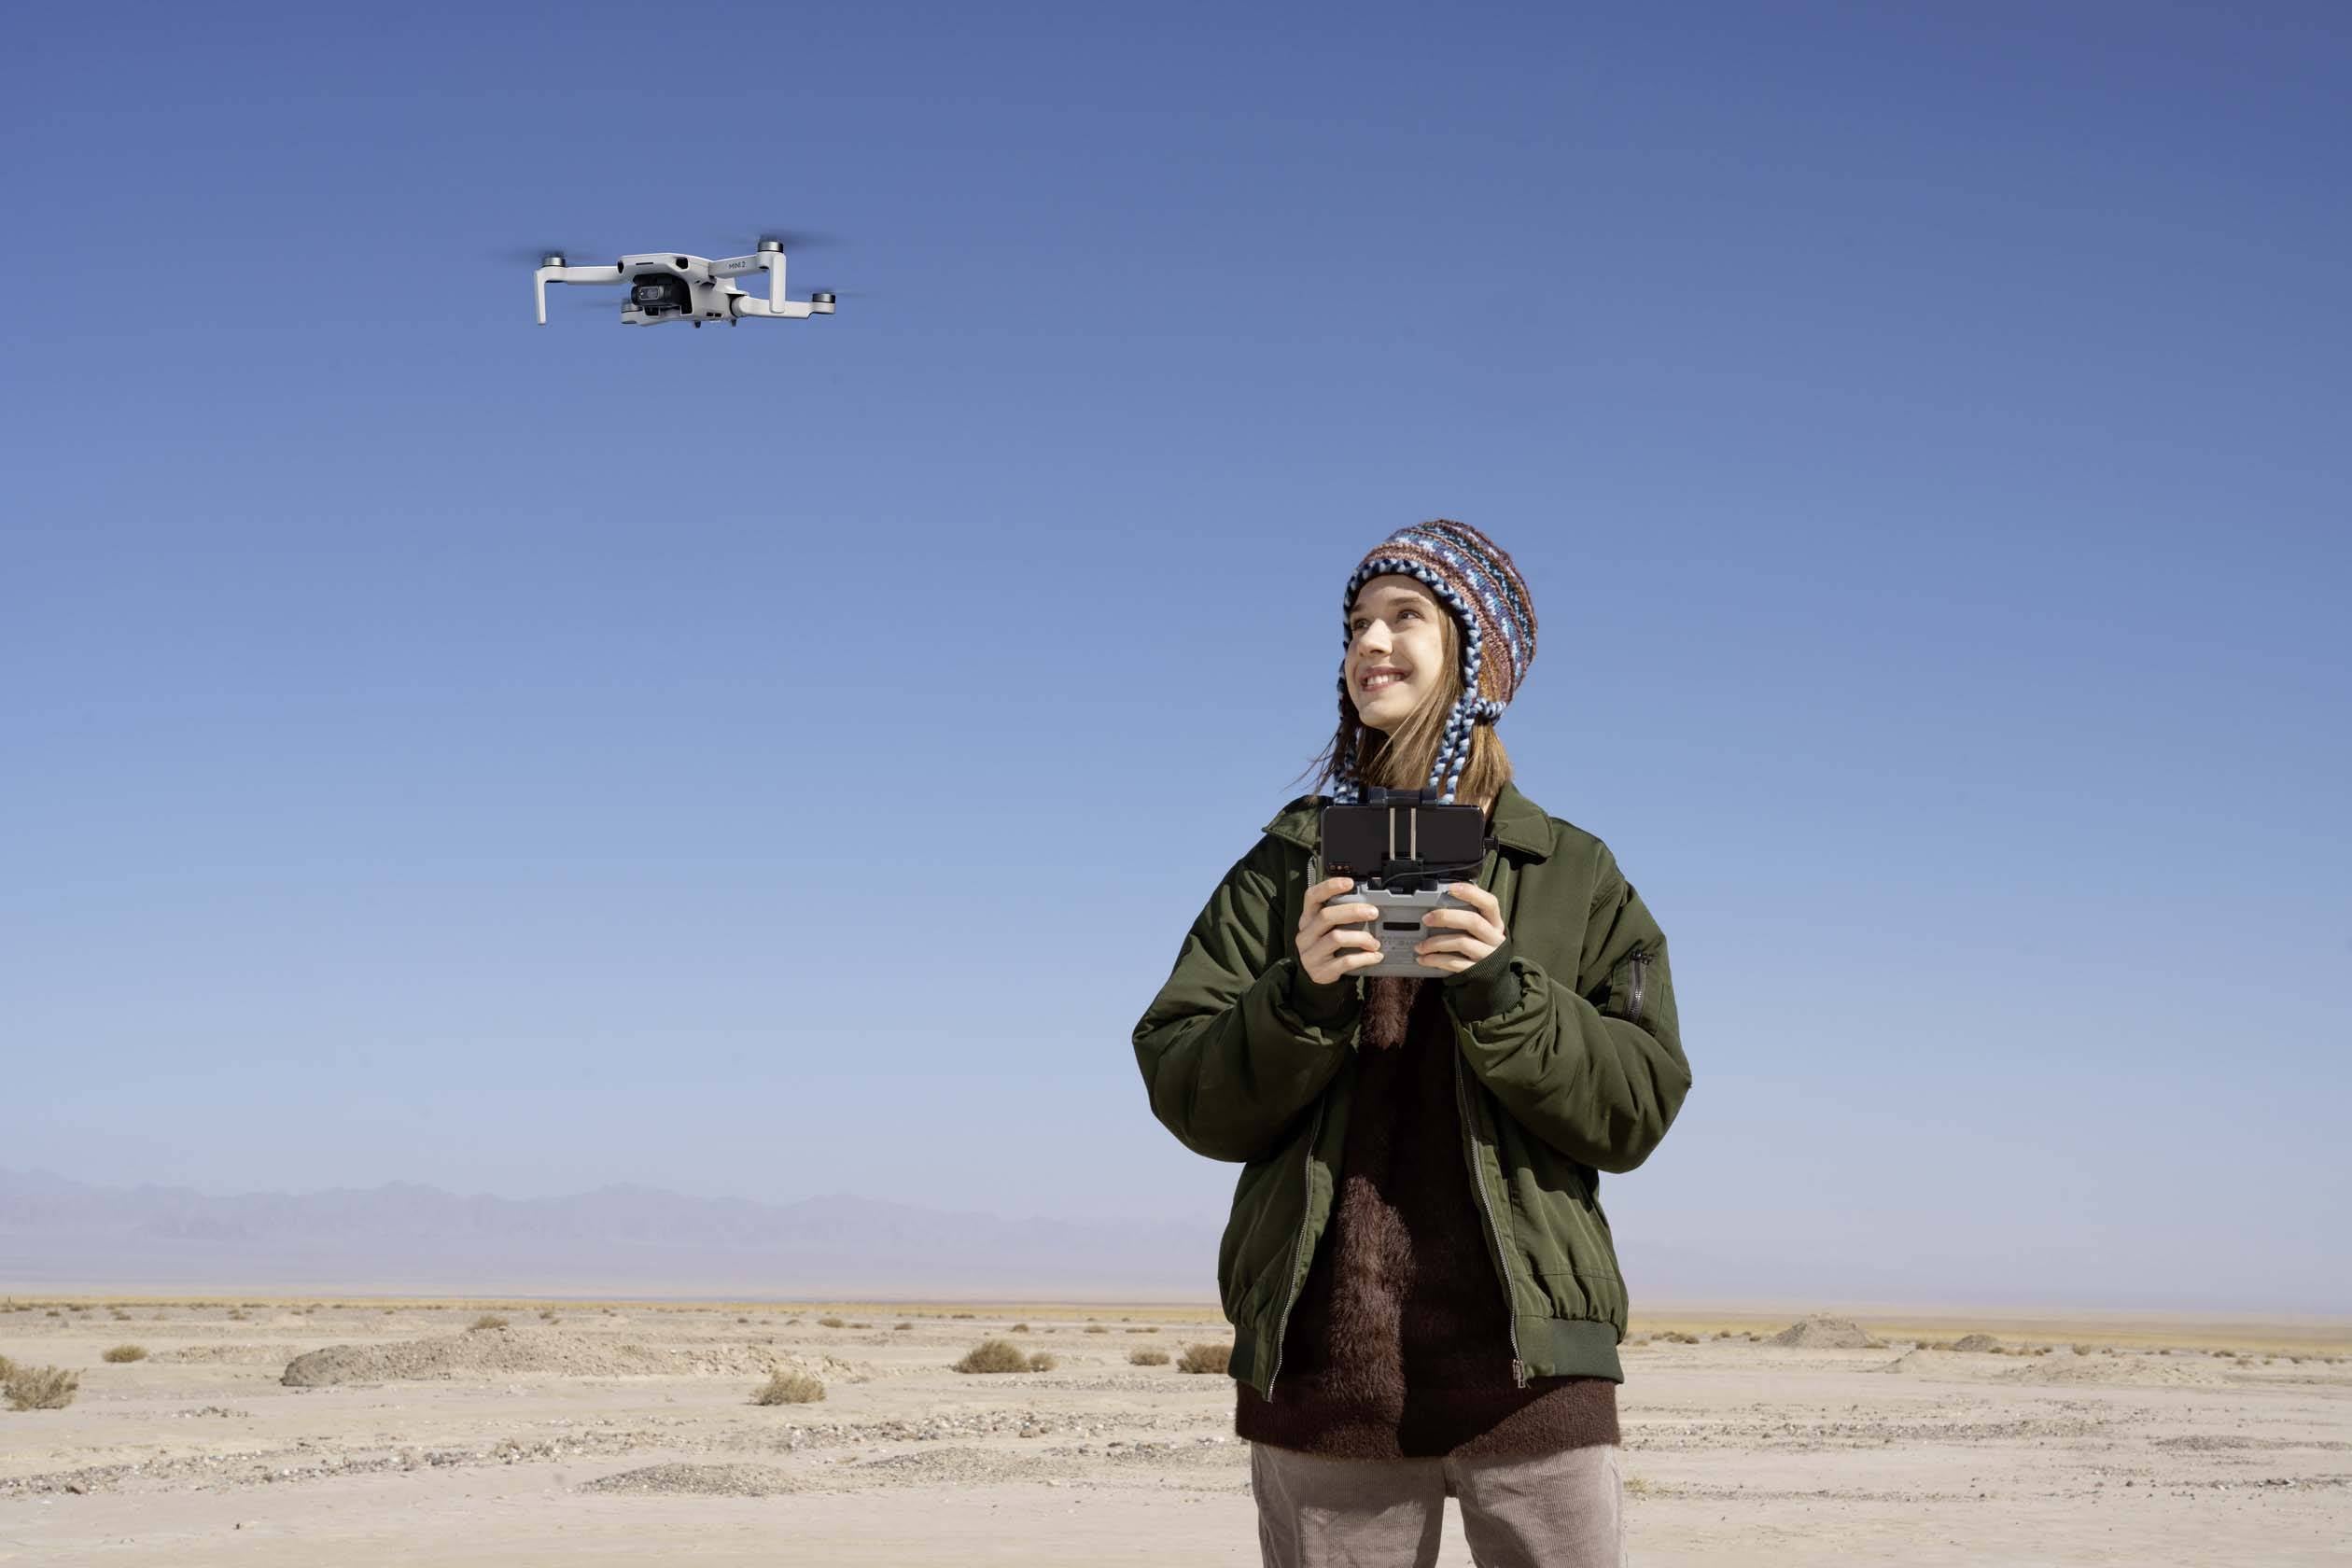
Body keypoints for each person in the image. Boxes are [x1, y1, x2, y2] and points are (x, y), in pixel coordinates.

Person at [1132, 521, 1691, 1568]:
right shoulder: (1283, 867)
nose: (1369, 644)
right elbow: (1186, 1087)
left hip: (1532, 1379)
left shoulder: (1572, 872)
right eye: (1356, 624)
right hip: (1327, 1381)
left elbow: (1636, 1108)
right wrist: (1300, 996)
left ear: (1478, 660)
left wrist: (1502, 988)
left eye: (1405, 618)